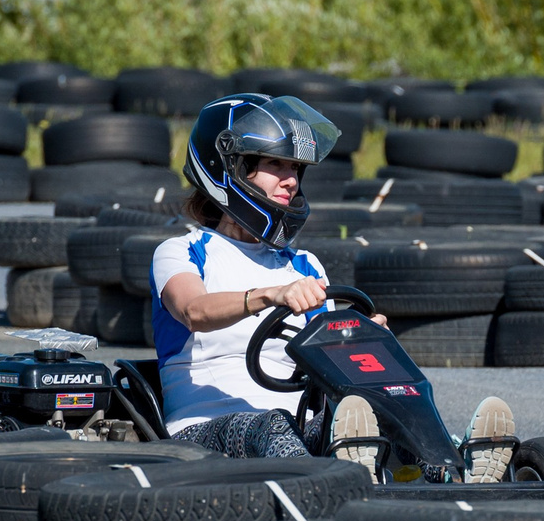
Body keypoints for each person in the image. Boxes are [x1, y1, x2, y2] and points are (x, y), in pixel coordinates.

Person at [150, 93, 516, 477]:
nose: (291, 181)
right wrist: (270, 295)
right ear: (228, 167)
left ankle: (452, 470)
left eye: (295, 168)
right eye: (276, 164)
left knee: (376, 412)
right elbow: (193, 310)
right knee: (272, 425)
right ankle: (333, 481)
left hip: (295, 424)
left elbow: (326, 360)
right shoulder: (181, 251)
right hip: (203, 429)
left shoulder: (304, 265)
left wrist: (362, 339)